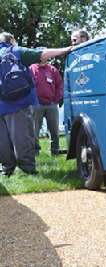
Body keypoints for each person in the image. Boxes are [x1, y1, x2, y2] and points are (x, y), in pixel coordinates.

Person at [0, 32, 71, 176]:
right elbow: (42, 54)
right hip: (17, 104)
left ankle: (6, 170)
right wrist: (64, 50)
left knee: (3, 140)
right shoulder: (14, 51)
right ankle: (28, 169)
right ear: (12, 41)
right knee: (23, 137)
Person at [30, 48, 63, 156]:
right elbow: (26, 87)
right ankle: (35, 151)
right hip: (36, 105)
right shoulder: (30, 69)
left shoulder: (53, 70)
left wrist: (56, 100)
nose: (43, 60)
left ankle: (55, 150)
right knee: (34, 130)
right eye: (41, 58)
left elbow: (60, 86)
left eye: (45, 57)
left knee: (54, 130)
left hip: (51, 104)